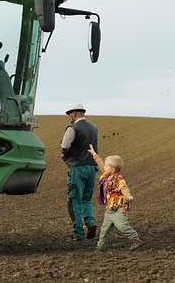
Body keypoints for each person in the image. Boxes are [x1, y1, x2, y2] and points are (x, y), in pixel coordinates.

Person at [88, 144, 143, 251]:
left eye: (106, 166)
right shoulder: (107, 176)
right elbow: (100, 164)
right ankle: (100, 247)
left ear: (112, 169)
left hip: (119, 208)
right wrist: (94, 155)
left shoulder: (119, 180)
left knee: (122, 225)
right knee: (104, 229)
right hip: (109, 209)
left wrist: (129, 196)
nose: (103, 167)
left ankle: (136, 240)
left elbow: (124, 188)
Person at [60, 103, 98, 241]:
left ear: (74, 113)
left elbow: (65, 145)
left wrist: (64, 155)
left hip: (77, 168)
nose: (69, 117)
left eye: (70, 114)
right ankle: (91, 222)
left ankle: (78, 234)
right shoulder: (94, 128)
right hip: (91, 168)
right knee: (86, 199)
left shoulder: (73, 128)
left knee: (74, 200)